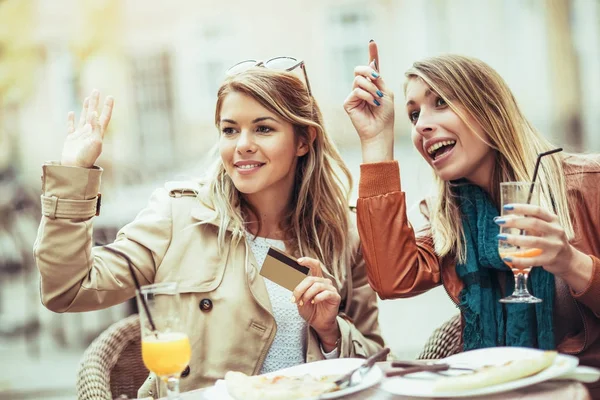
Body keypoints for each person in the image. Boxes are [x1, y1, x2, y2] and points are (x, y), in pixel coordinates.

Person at [34, 60, 384, 397]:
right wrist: (74, 174)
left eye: (263, 128)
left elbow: (377, 363)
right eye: (230, 130)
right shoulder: (180, 216)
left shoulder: (343, 234)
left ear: (303, 140)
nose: (242, 143)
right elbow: (68, 289)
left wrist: (330, 332)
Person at [344, 41, 600, 396]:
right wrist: (375, 140)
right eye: (414, 115)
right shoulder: (452, 218)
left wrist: (571, 263)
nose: (422, 126)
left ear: (489, 109)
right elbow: (392, 280)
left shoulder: (589, 184)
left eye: (441, 102)